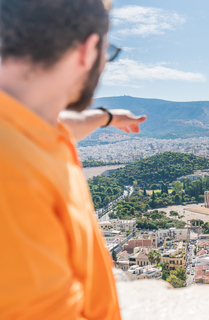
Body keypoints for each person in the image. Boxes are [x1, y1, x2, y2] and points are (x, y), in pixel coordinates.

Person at [0, 0, 142, 318]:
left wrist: (106, 117)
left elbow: (60, 126)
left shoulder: (25, 127)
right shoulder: (13, 175)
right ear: (88, 50)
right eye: (108, 53)